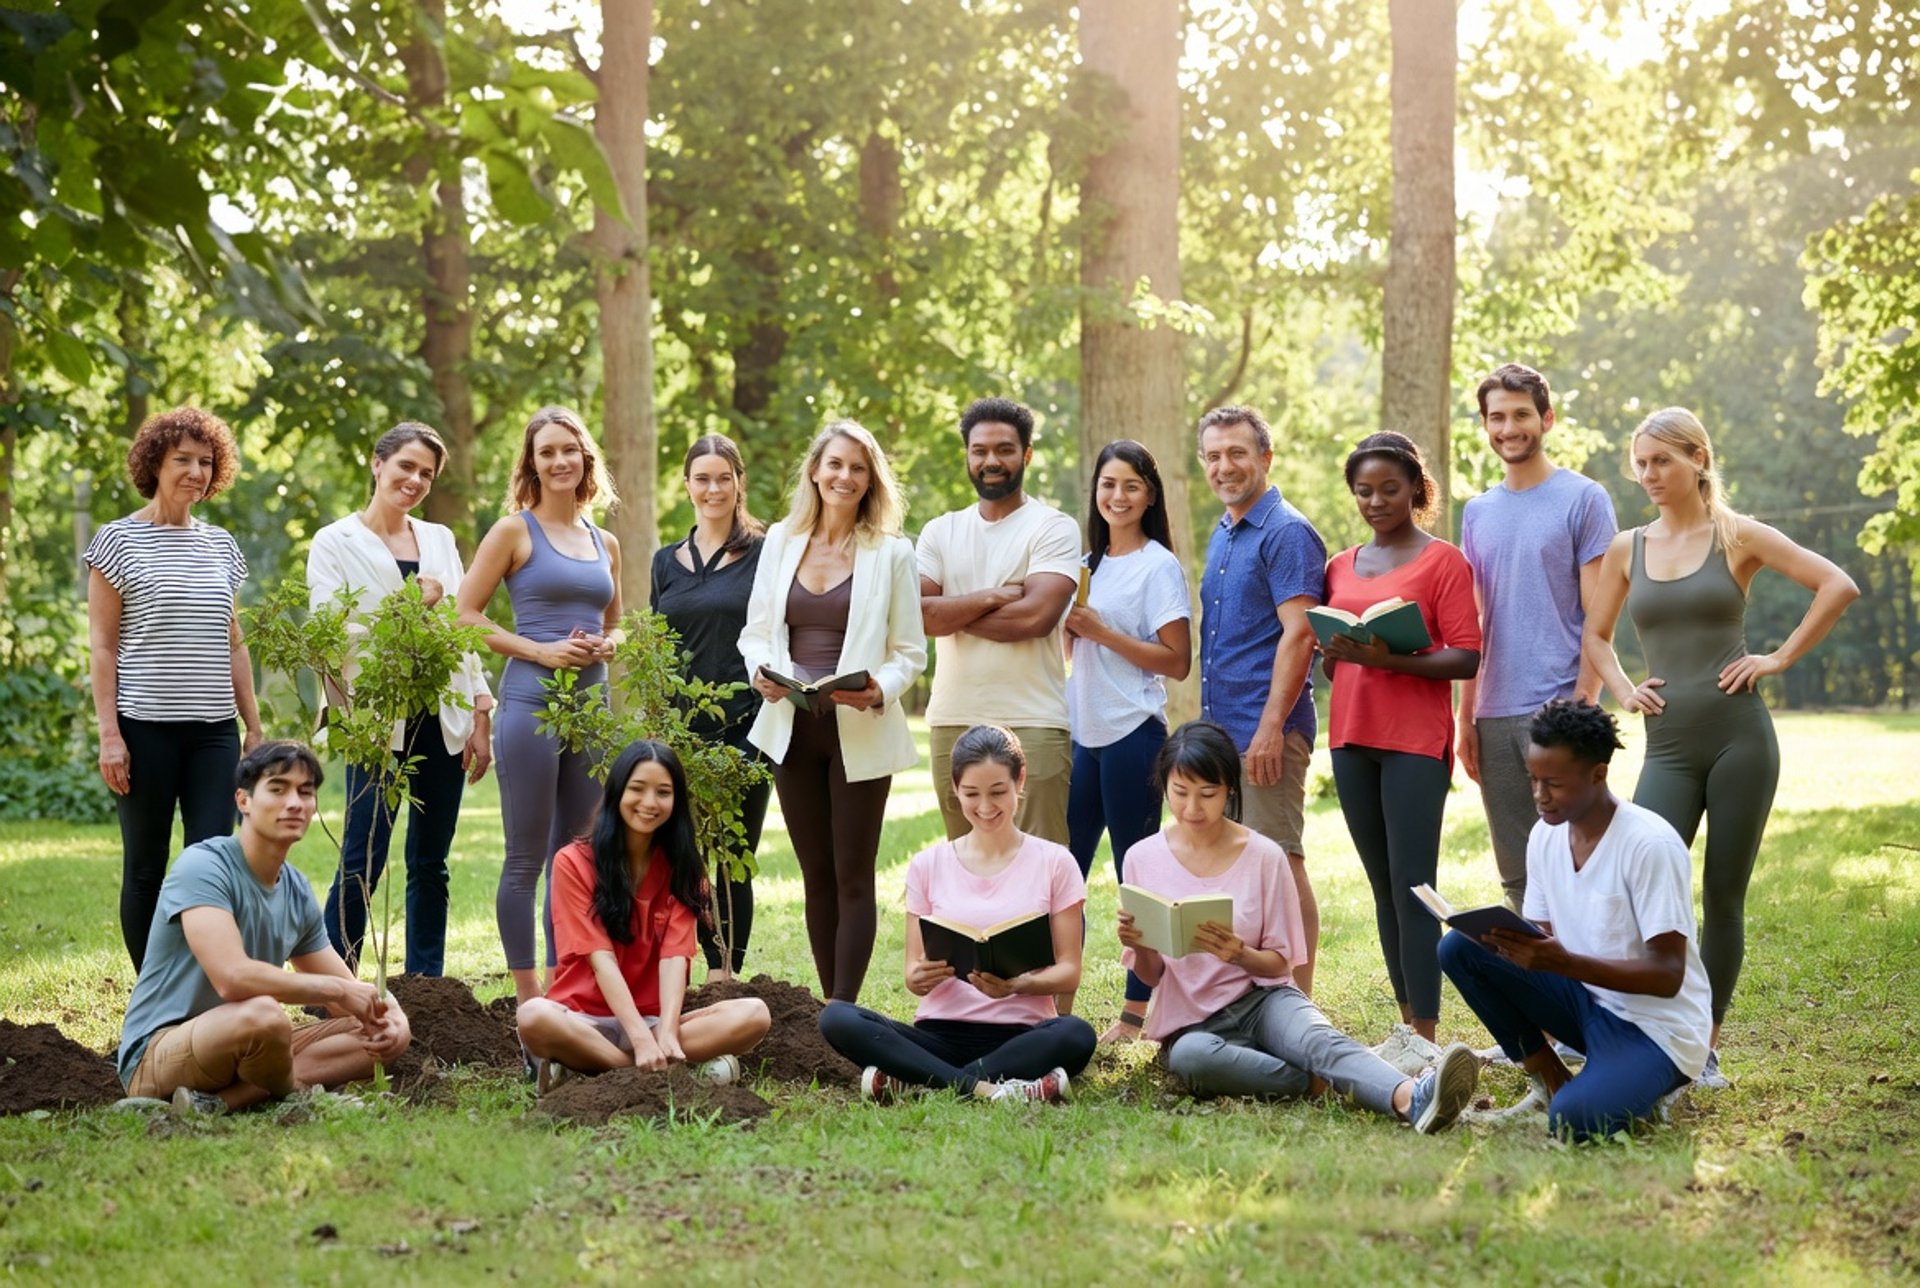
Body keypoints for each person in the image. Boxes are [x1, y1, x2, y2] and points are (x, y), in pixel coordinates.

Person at [1583, 407, 1859, 1086]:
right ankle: (1634, 1029)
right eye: (1641, 463)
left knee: (1722, 895)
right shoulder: (1628, 547)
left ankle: (1702, 1049)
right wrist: (1621, 687)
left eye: (1662, 461)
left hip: (1741, 742)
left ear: (1698, 459)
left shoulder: (1737, 536)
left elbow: (1837, 585)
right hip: (1668, 748)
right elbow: (1595, 635)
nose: (1649, 474)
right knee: (1639, 883)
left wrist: (1777, 658)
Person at [1117, 721, 1479, 1133]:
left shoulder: (1264, 856)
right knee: (1192, 1060)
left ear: (1230, 790)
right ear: (1164, 786)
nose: (1192, 809)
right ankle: (1320, 1079)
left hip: (1264, 1000)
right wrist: (1140, 944)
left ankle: (1410, 1098)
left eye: (1208, 794)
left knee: (1317, 1038)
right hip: (1193, 1025)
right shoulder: (1141, 859)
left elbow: (1278, 967)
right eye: (1180, 793)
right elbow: (1151, 975)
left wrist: (1238, 954)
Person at [1438, 700, 1713, 1141]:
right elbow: (1542, 939)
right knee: (1458, 948)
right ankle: (1551, 1081)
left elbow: (1667, 975)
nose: (1539, 795)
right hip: (1587, 1003)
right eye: (1533, 779)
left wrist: (1564, 964)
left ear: (1598, 774)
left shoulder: (1649, 845)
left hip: (1657, 1031)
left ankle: (1659, 1087)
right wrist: (1508, 945)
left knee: (1575, 1122)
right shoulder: (1546, 834)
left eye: (1554, 784)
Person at [115, 742, 411, 1115]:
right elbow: (232, 979)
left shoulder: (296, 889)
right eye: (278, 788)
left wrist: (392, 1018)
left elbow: (346, 998)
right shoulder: (203, 866)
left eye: (306, 792)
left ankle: (219, 1103)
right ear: (244, 801)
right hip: (161, 1051)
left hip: (249, 1041)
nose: (294, 802)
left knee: (377, 1035)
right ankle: (294, 1093)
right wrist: (338, 988)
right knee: (266, 1017)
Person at [738, 421, 926, 1004]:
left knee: (852, 875)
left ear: (871, 481)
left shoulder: (892, 552)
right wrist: (762, 674)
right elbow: (758, 633)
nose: (845, 477)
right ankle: (827, 1008)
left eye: (858, 468)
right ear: (815, 471)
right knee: (814, 875)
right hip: (792, 724)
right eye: (836, 465)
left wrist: (879, 689)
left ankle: (845, 1007)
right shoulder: (780, 542)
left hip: (859, 726)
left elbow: (911, 651)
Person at [818, 725, 1097, 1102]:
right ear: (954, 788)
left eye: (998, 792)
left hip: (1021, 1035)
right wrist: (920, 977)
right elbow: (913, 974)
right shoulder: (927, 865)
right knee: (837, 1017)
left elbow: (1070, 971)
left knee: (1076, 1034)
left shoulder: (1056, 863)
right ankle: (982, 1088)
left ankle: (918, 1080)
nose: (985, 807)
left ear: (1020, 780)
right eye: (972, 794)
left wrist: (1017, 985)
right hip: (938, 1035)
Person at [306, 421, 495, 976]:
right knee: (362, 856)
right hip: (373, 716)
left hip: (443, 714)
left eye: (426, 475)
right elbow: (330, 632)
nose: (414, 480)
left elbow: (463, 632)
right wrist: (412, 602)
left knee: (431, 861)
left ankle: (425, 985)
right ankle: (332, 984)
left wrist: (482, 709)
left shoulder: (439, 540)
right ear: (377, 463)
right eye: (406, 467)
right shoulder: (334, 541)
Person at [1320, 432, 1481, 1071]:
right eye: (1364, 491)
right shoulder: (1338, 565)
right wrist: (1340, 655)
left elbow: (1466, 653)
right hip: (1350, 738)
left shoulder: (1444, 562)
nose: (1376, 501)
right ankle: (1405, 1028)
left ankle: (1429, 1035)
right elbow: (1342, 668)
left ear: (1416, 488)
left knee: (1415, 887)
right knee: (1383, 888)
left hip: (1414, 741)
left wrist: (1392, 658)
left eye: (1389, 489)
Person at [86, 406, 264, 971]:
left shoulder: (221, 547)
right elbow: (103, 648)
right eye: (181, 459)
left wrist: (253, 726)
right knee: (145, 865)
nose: (195, 471)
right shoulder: (118, 541)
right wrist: (110, 735)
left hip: (214, 733)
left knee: (212, 860)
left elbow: (233, 642)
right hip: (145, 730)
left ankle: (201, 983)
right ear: (154, 464)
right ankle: (151, 993)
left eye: (205, 462)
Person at [458, 407, 622, 1010]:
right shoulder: (513, 532)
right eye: (546, 452)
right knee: (526, 855)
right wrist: (540, 651)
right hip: (529, 702)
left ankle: (567, 988)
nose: (559, 461)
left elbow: (619, 625)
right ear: (532, 463)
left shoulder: (605, 542)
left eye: (569, 450)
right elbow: (464, 617)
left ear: (585, 460)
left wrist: (610, 645)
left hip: (592, 709)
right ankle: (528, 998)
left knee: (576, 856)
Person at [516, 741, 771, 1091]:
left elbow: (674, 958)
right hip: (582, 1020)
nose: (649, 803)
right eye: (637, 789)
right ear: (617, 792)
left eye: (663, 792)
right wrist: (639, 1041)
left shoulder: (683, 869)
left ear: (676, 801)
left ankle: (594, 1068)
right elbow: (600, 959)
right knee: (532, 1015)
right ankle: (643, 1071)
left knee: (755, 1014)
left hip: (652, 1019)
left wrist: (665, 1032)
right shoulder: (573, 862)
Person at [1457, 364, 1617, 912]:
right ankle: (1534, 992)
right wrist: (1466, 718)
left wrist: (1583, 702)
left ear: (1546, 419)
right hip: (1494, 713)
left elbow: (1600, 613)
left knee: (1580, 863)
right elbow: (1473, 622)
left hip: (1558, 706)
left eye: (1521, 414)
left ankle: (1592, 988)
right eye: (1496, 417)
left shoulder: (1584, 498)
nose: (1509, 428)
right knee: (1518, 875)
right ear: (1484, 425)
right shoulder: (1476, 512)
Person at [1194, 405, 1327, 994]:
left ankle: (1298, 1000)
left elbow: (1300, 633)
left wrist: (1270, 728)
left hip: (1265, 728)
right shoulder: (1224, 531)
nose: (1226, 466)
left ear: (1265, 459)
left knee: (1282, 862)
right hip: (1222, 733)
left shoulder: (1286, 531)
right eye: (1214, 456)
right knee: (1241, 868)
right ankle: (1249, 997)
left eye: (1237, 453)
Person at [1063, 440, 1191, 1041]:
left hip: (1133, 735)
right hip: (1081, 735)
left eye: (1131, 486)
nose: (1118, 496)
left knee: (1134, 878)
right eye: (1108, 484)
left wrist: (1102, 632)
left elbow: (1177, 661)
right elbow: (1075, 652)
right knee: (1064, 873)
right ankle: (1053, 1003)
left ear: (1150, 495)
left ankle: (1138, 1012)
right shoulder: (1088, 564)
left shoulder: (1158, 565)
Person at [918, 397, 1081, 845]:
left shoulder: (1053, 527)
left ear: (1026, 454)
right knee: (965, 867)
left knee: (1042, 871)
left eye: (1005, 450)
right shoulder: (939, 531)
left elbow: (1035, 617)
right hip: (953, 719)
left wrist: (951, 609)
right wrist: (992, 596)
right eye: (980, 450)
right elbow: (919, 617)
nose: (992, 460)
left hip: (1034, 721)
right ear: (967, 455)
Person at [651, 434, 770, 979]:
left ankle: (724, 976)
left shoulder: (766, 553)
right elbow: (659, 646)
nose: (713, 488)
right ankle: (678, 973)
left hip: (748, 726)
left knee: (733, 857)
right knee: (684, 859)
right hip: (682, 733)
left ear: (739, 482)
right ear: (687, 484)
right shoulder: (664, 562)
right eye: (703, 478)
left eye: (724, 477)